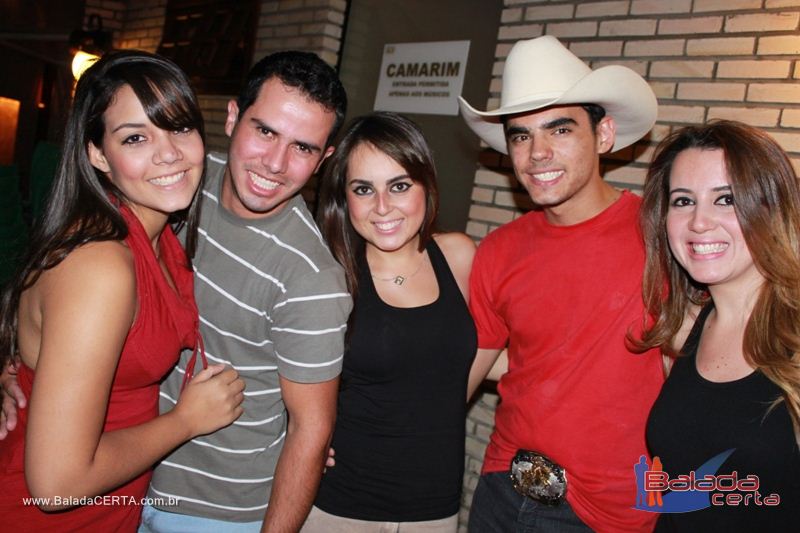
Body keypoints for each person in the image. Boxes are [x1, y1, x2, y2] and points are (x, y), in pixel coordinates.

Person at [0, 50, 245, 531]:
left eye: (179, 126)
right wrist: (186, 422)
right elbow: (56, 486)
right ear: (96, 154)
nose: (169, 152)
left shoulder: (160, 238)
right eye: (135, 137)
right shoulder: (101, 265)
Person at [138, 51, 352, 532]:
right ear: (234, 117)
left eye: (303, 148)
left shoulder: (311, 278)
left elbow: (310, 432)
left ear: (324, 159)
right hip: (120, 477)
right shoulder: (181, 184)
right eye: (266, 131)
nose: (275, 164)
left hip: (213, 514)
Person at [457, 35, 664, 532]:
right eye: (521, 135)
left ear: (605, 134)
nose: (537, 153)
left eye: (560, 129)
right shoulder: (499, 249)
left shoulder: (662, 237)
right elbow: (459, 374)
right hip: (503, 489)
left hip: (608, 514)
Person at [300, 112, 477, 532]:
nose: (382, 207)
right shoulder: (328, 273)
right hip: (339, 506)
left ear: (426, 185)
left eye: (399, 186)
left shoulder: (458, 256)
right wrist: (291, 433)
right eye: (364, 189)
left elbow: (483, 353)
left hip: (435, 508)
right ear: (344, 197)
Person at [635, 120, 800, 531]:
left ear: (771, 207)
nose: (699, 222)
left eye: (725, 199)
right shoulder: (685, 326)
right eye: (683, 201)